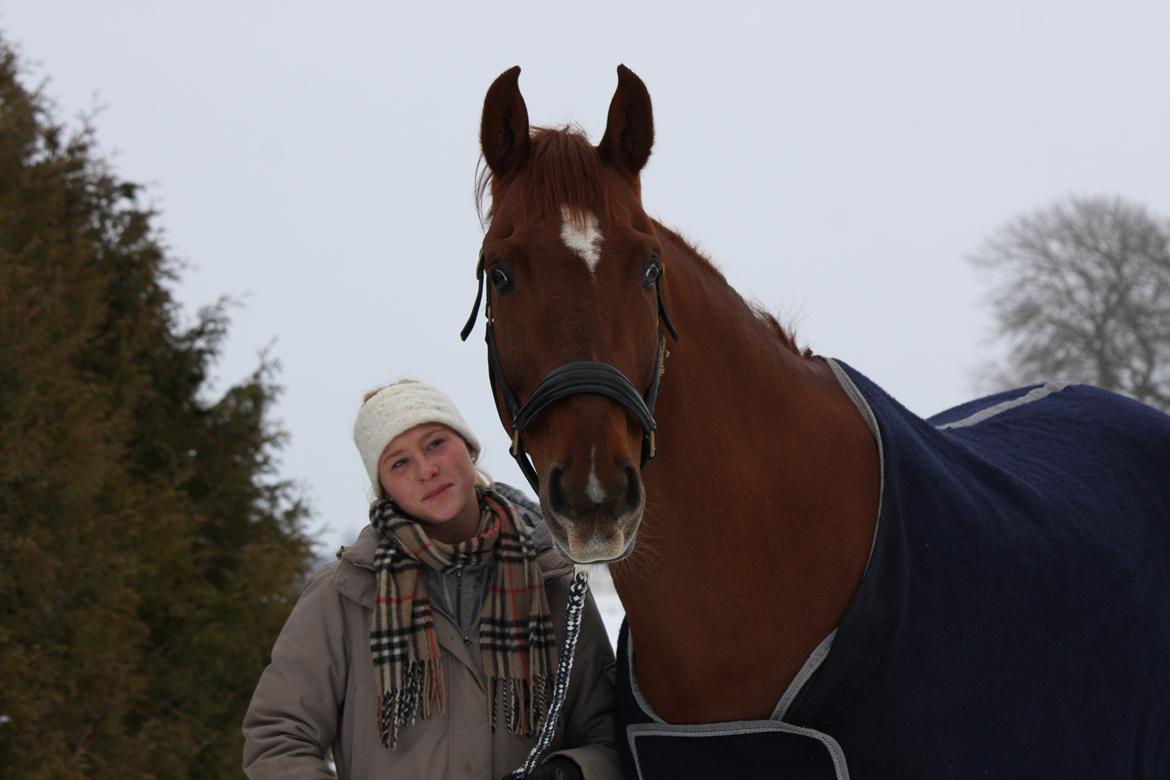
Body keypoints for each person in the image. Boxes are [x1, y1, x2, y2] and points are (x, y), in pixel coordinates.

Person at [243, 380, 620, 780]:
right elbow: (277, 740)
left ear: (469, 447)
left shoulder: (551, 583)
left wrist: (571, 772)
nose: (427, 470)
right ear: (384, 489)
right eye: (399, 463)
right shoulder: (344, 594)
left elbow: (608, 735)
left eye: (436, 443)